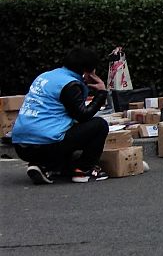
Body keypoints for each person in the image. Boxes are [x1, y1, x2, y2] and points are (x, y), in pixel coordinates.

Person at [11, 47, 111, 184]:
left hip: (20, 145)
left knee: (65, 127)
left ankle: (45, 166)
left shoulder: (45, 76)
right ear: (87, 72)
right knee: (99, 125)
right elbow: (83, 116)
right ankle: (83, 169)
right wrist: (101, 93)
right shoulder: (70, 85)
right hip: (47, 144)